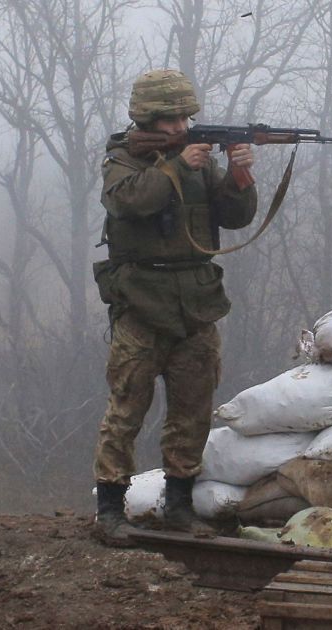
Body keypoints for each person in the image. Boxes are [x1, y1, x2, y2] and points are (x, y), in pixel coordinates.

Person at [91, 69, 256, 544]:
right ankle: (109, 511)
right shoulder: (123, 158)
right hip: (141, 304)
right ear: (149, 119)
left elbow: (233, 217)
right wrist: (178, 165)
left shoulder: (198, 161)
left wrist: (240, 177)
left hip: (196, 304)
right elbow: (129, 203)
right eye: (172, 119)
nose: (182, 125)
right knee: (126, 409)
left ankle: (179, 505)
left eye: (187, 116)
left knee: (193, 410)